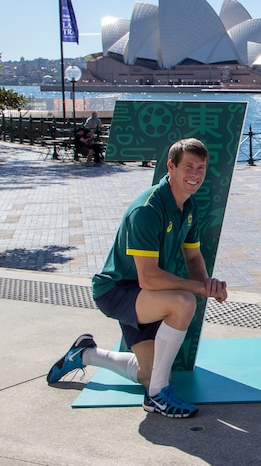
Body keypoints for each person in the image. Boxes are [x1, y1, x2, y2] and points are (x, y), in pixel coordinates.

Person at [47, 138, 228, 418]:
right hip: (115, 291)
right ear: (171, 167)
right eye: (188, 167)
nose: (195, 174)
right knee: (183, 302)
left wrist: (207, 283)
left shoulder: (188, 208)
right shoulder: (148, 210)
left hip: (142, 295)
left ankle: (85, 354)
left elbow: (193, 258)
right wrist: (199, 289)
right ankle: (156, 396)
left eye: (201, 168)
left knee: (148, 373)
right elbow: (149, 279)